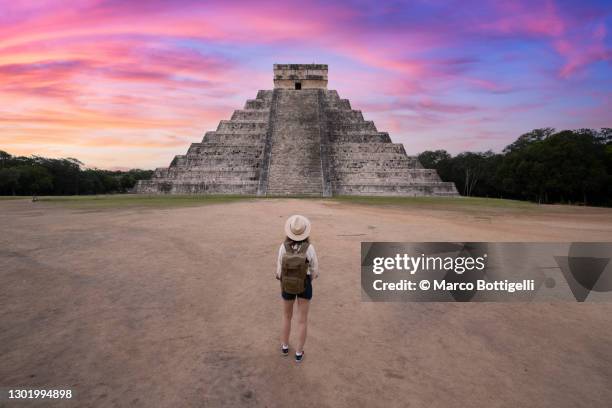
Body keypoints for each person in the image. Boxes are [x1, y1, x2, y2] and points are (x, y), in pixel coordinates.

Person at [276, 214, 318, 363]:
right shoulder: (309, 248)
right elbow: (315, 272)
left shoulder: (283, 247)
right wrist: (307, 279)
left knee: (286, 317)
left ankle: (285, 346)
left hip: (287, 284)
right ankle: (299, 352)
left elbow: (279, 272)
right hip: (304, 284)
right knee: (302, 320)